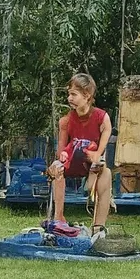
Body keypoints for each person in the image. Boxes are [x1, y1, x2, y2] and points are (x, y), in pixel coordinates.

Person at [48, 73, 112, 238]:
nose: (69, 98)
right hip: (72, 161)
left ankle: (98, 227)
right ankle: (59, 219)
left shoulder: (100, 116)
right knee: (56, 169)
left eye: (74, 94)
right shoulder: (66, 121)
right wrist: (61, 156)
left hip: (92, 162)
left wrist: (98, 153)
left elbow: (107, 132)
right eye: (69, 94)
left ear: (87, 96)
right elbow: (61, 150)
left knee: (106, 173)